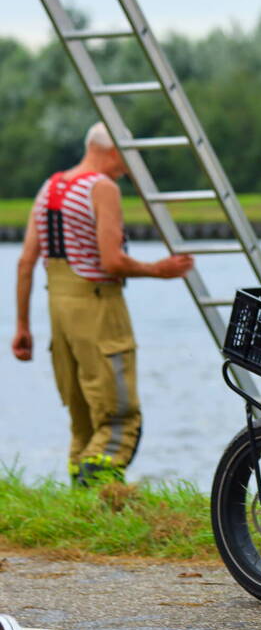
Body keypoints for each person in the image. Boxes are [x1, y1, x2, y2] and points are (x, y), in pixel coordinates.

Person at [11, 122, 194, 486]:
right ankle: (100, 495)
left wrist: (22, 326)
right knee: (119, 417)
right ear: (112, 151)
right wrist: (159, 270)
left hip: (58, 308)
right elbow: (112, 261)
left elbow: (25, 263)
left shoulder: (51, 187)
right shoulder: (102, 187)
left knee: (82, 418)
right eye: (127, 157)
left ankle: (83, 506)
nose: (129, 167)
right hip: (97, 305)